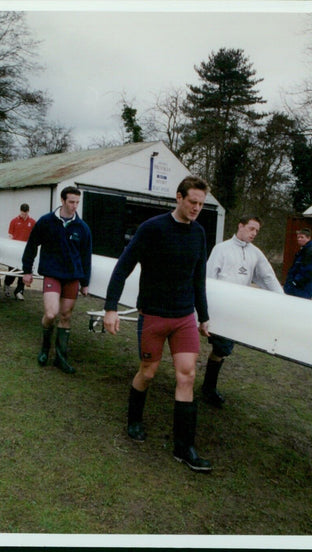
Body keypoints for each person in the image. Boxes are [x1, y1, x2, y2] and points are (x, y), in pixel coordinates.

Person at [103, 176, 213, 472]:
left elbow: (198, 278)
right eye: (192, 202)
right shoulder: (152, 229)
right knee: (148, 372)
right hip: (153, 315)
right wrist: (110, 308)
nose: (196, 208)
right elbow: (122, 268)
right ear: (178, 197)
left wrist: (203, 316)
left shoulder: (199, 233)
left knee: (187, 376)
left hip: (184, 317)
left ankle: (184, 447)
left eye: (201, 204)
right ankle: (134, 420)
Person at [202, 215, 283, 407]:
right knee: (220, 348)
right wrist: (204, 310)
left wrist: (283, 300)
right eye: (251, 229)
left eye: (256, 231)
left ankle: (208, 387)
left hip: (236, 311)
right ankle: (208, 389)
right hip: (218, 308)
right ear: (241, 226)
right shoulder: (221, 249)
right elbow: (208, 278)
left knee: (222, 351)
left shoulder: (255, 253)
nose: (254, 233)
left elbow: (268, 277)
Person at [22, 186, 92, 374]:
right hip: (52, 273)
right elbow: (31, 245)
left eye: (77, 202)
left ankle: (61, 358)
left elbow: (86, 256)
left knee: (66, 316)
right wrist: (27, 270)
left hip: (72, 276)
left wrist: (85, 282)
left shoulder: (82, 228)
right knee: (51, 314)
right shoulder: (46, 222)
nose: (74, 206)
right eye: (71, 202)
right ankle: (45, 348)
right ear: (62, 201)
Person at [5, 203, 36, 301]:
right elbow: (10, 236)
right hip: (15, 250)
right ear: (20, 211)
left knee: (24, 271)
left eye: (26, 213)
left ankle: (19, 291)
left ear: (28, 211)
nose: (24, 215)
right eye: (23, 213)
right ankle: (7, 285)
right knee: (12, 270)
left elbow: (34, 237)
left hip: (26, 250)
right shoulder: (14, 221)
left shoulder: (32, 222)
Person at [283, 227, 312, 299]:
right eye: (298, 237)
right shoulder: (302, 250)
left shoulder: (309, 252)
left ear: (308, 238)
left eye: (302, 237)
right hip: (297, 287)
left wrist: (295, 282)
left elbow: (306, 271)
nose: (299, 239)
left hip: (302, 289)